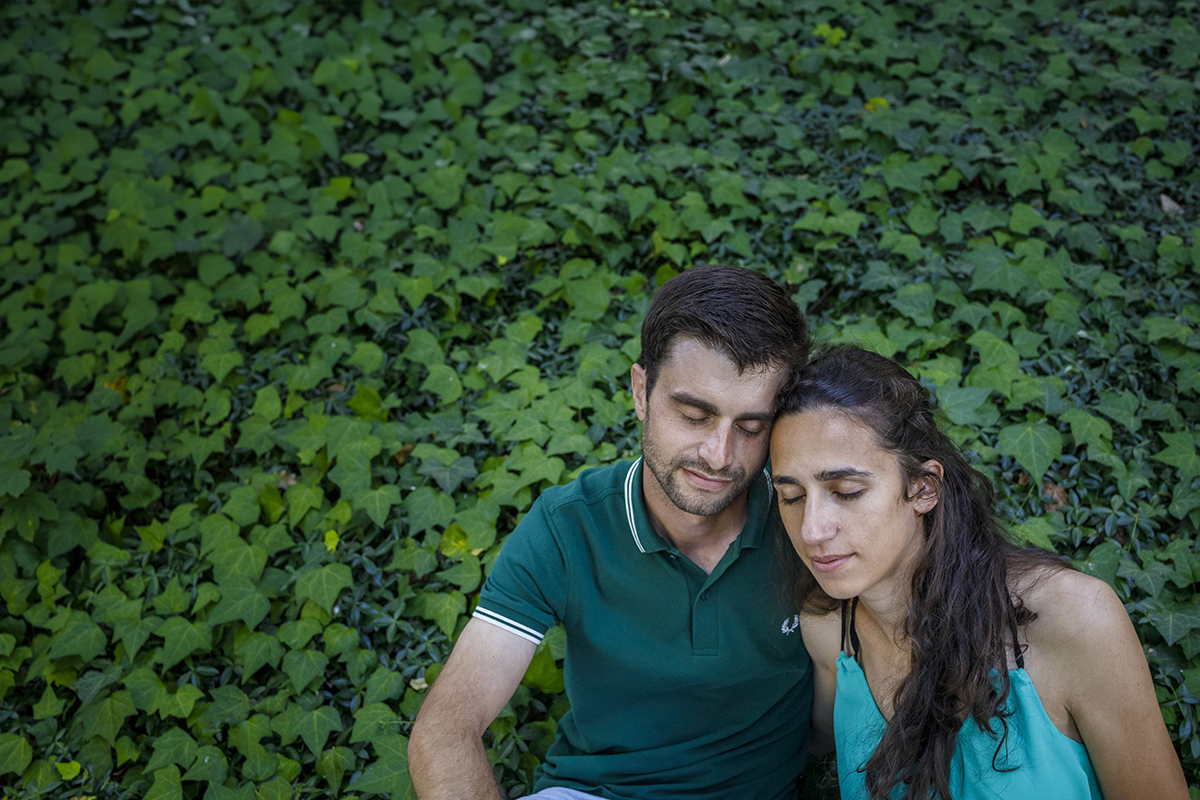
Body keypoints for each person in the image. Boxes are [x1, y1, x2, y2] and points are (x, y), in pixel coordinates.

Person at [410, 264, 814, 800]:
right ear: (641, 390)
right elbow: (446, 728)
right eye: (694, 414)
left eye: (750, 427)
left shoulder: (808, 522)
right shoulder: (567, 527)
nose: (719, 456)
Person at [769, 345, 1189, 800]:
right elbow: (791, 753)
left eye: (846, 491)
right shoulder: (829, 629)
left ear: (923, 488)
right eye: (791, 497)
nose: (812, 529)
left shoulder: (1073, 618)